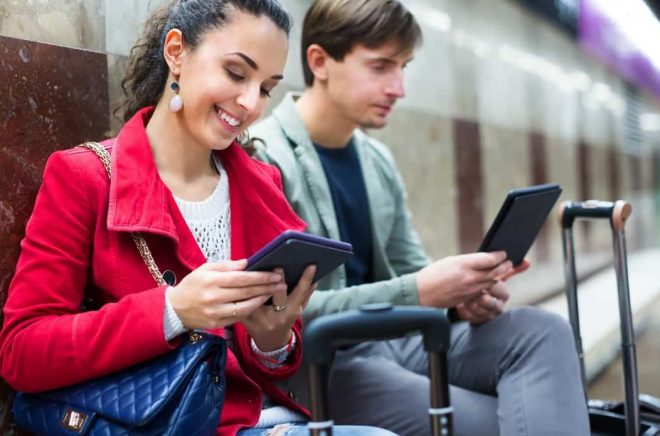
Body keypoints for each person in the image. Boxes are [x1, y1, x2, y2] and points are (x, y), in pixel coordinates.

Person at [0, 1, 395, 435]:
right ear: (176, 51)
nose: (249, 104)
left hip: (269, 421)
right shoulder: (86, 177)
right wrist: (172, 310)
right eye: (235, 73)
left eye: (266, 88)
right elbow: (22, 351)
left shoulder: (262, 184)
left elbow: (275, 365)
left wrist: (274, 340)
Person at [251, 0, 591, 435]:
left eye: (403, 67)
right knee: (504, 419)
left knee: (543, 332)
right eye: (380, 67)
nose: (398, 88)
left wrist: (460, 297)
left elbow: (413, 271)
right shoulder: (264, 156)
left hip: (399, 342)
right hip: (329, 363)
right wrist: (422, 290)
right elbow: (280, 316)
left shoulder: (376, 160)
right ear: (320, 61)